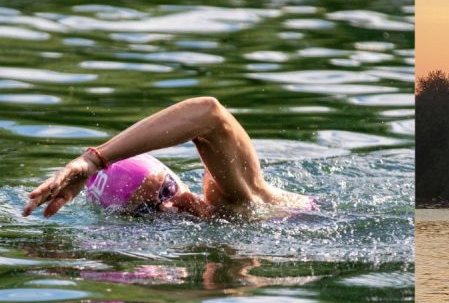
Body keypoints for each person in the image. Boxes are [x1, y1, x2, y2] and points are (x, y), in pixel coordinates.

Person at [22, 97, 313, 219]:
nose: (171, 206)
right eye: (148, 209)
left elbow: (210, 113)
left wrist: (95, 161)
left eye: (167, 190)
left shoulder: (233, 200)